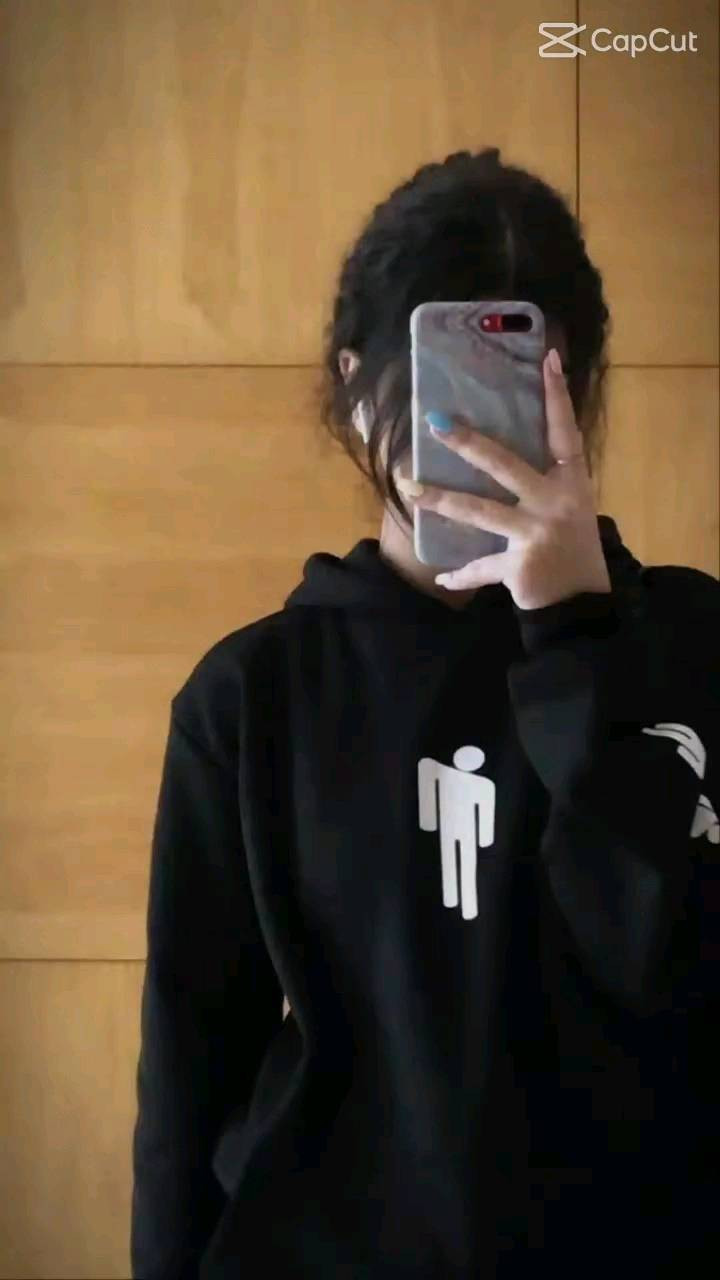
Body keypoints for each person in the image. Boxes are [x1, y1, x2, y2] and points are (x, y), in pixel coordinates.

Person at [130, 147, 719, 1279]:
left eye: (521, 390)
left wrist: (576, 641)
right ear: (355, 382)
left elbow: (674, 973)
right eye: (445, 390)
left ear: (580, 391)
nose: (475, 440)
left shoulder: (688, 646)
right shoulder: (251, 698)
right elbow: (189, 1078)